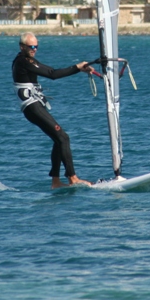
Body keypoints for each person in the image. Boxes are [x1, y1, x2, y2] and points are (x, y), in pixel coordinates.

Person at [12, 32, 94, 189]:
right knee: (63, 137)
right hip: (32, 107)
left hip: (35, 106)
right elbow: (52, 74)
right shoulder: (23, 61)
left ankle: (56, 182)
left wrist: (80, 69)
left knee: (58, 139)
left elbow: (51, 70)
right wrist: (77, 67)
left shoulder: (27, 59)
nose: (34, 49)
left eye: (36, 46)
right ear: (22, 47)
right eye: (31, 47)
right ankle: (73, 178)